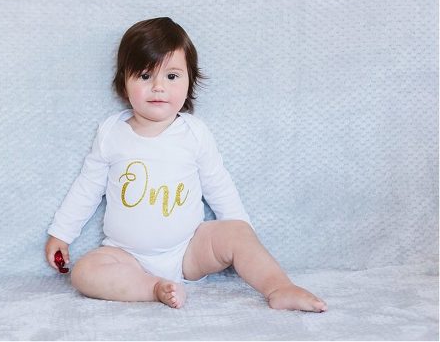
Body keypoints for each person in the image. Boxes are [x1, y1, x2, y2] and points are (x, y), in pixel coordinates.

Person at [44, 17, 327, 312]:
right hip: (125, 255)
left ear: (190, 80)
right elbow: (87, 187)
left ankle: (279, 287)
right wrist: (61, 233)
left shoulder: (194, 133)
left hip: (188, 250)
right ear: (122, 82)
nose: (157, 87)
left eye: (171, 76)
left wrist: (241, 230)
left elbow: (218, 184)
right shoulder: (111, 133)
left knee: (236, 233)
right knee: (84, 272)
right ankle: (152, 288)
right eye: (144, 76)